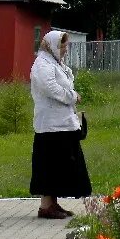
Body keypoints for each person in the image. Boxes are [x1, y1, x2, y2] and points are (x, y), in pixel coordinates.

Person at [30, 30, 91, 219]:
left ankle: (53, 204)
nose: (65, 50)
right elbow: (50, 88)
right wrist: (72, 96)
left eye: (65, 46)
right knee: (50, 164)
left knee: (60, 165)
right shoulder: (42, 64)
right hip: (50, 125)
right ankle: (46, 206)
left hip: (62, 123)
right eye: (62, 46)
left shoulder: (56, 63)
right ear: (52, 46)